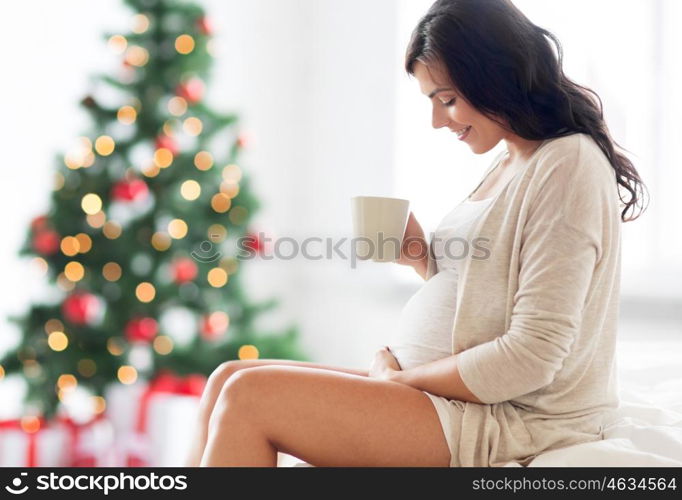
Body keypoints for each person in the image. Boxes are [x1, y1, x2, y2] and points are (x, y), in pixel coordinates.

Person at [185, 0, 648, 467]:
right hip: (452, 399)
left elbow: (532, 355)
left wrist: (405, 381)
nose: (437, 120)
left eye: (446, 99)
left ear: (497, 76)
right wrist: (421, 261)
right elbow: (500, 295)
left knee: (251, 395)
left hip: (516, 420)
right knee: (229, 375)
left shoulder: (567, 164)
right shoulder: (510, 158)